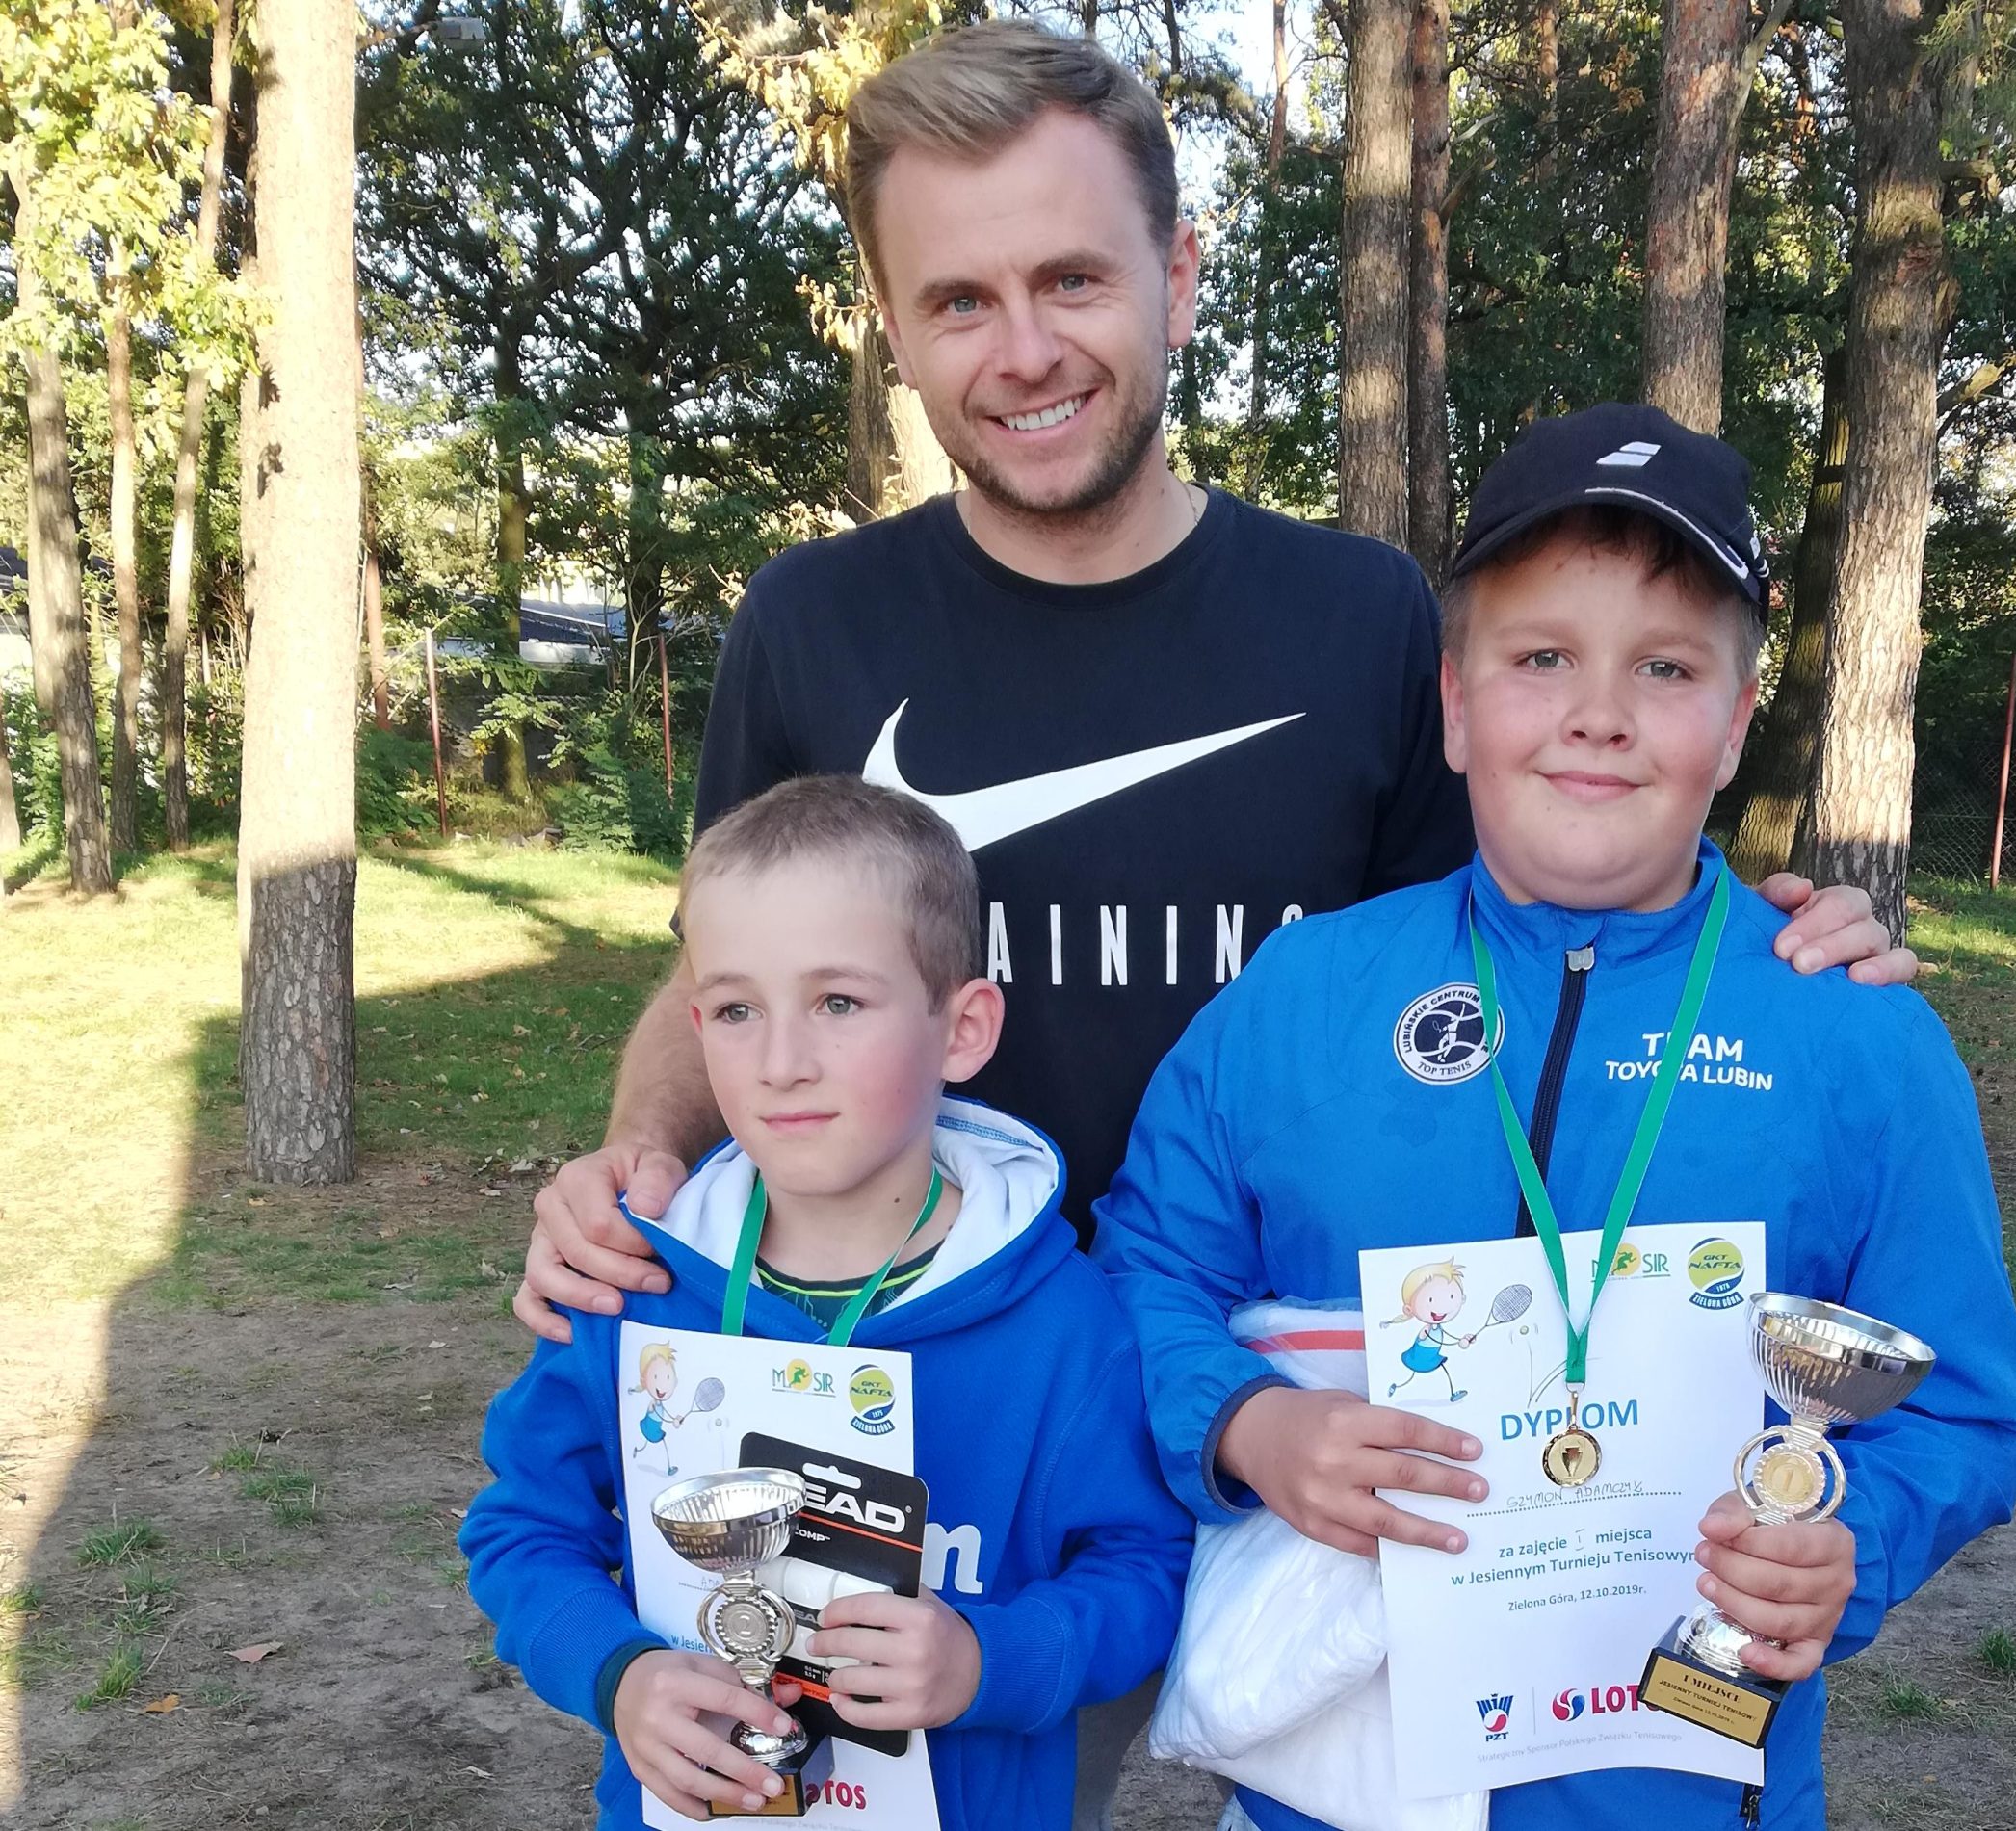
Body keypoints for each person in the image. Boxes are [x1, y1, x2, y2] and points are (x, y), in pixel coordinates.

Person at [508, 21, 1916, 1822]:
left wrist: (1752, 944)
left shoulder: (1361, 621)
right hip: (954, 1439)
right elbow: (722, 967)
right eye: (956, 300)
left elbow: (1512, 951)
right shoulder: (810, 623)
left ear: (1178, 279)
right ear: (890, 317)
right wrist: (633, 1168)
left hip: (1317, 1440)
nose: (1022, 350)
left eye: (1075, 277)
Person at [1092, 403, 2016, 1831]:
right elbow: (1144, 1268)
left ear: (1733, 725)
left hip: (1680, 1785)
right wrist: (1247, 1424)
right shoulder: (1303, 996)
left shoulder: (1858, 1041)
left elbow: (1966, 1398)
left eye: (1665, 668)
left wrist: (1849, 1541)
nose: (1599, 713)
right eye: (1542, 658)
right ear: (1458, 703)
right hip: (1329, 1785)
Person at [462, 776, 1191, 1830]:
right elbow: (524, 1527)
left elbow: (1144, 1565)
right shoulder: (636, 1286)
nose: (781, 1063)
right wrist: (618, 1677)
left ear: (962, 1027)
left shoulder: (1065, 1322)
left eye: (838, 1002)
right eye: (735, 1008)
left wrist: (989, 1658)